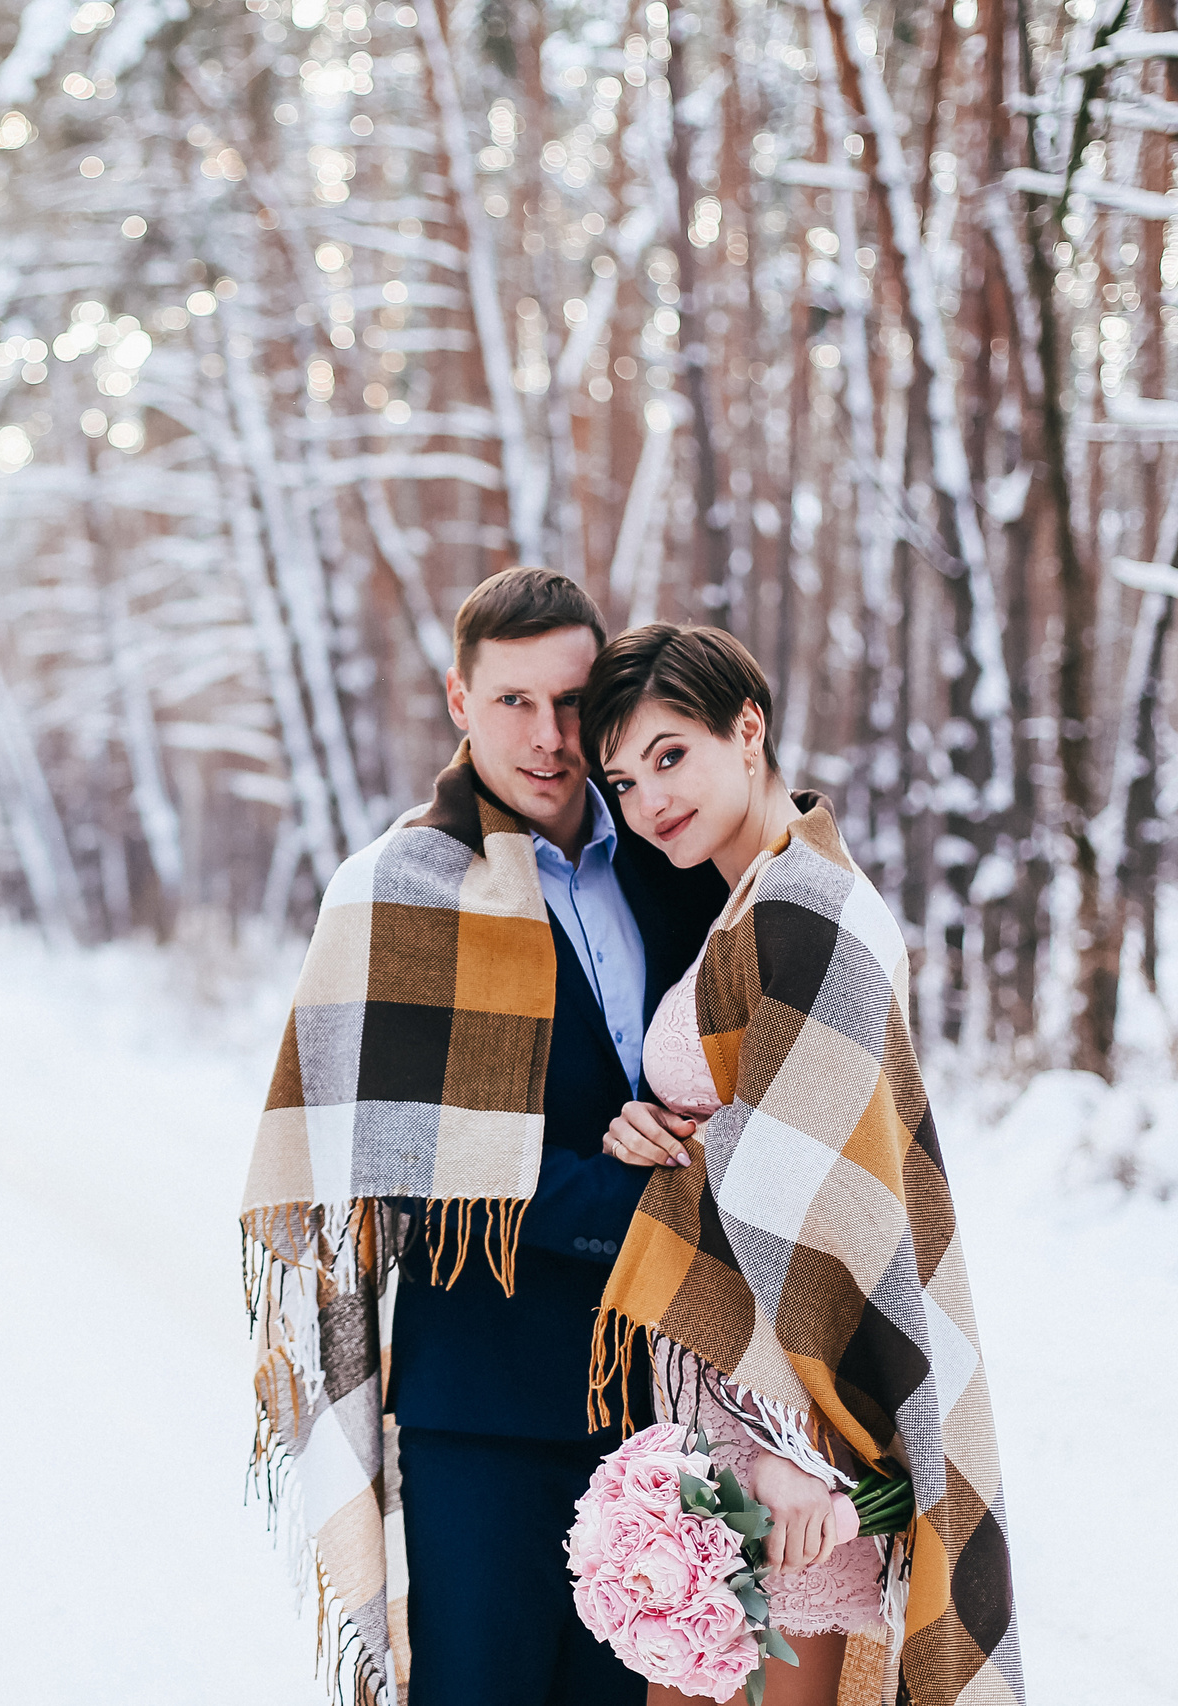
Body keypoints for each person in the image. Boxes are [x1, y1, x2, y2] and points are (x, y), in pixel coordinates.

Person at [240, 569, 725, 1706]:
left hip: (661, 1390)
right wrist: (649, 1193)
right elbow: (414, 1171)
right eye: (513, 701)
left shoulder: (675, 862)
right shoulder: (404, 889)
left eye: (571, 701)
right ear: (459, 698)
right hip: (488, 1405)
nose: (548, 737)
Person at [581, 625, 1022, 1706]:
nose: (648, 802)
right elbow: (754, 1153)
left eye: (670, 754)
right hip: (734, 1396)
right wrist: (648, 1130)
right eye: (624, 779)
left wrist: (784, 1450)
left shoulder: (798, 911)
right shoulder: (758, 899)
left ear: (747, 726)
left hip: (785, 1413)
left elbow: (803, 1212)